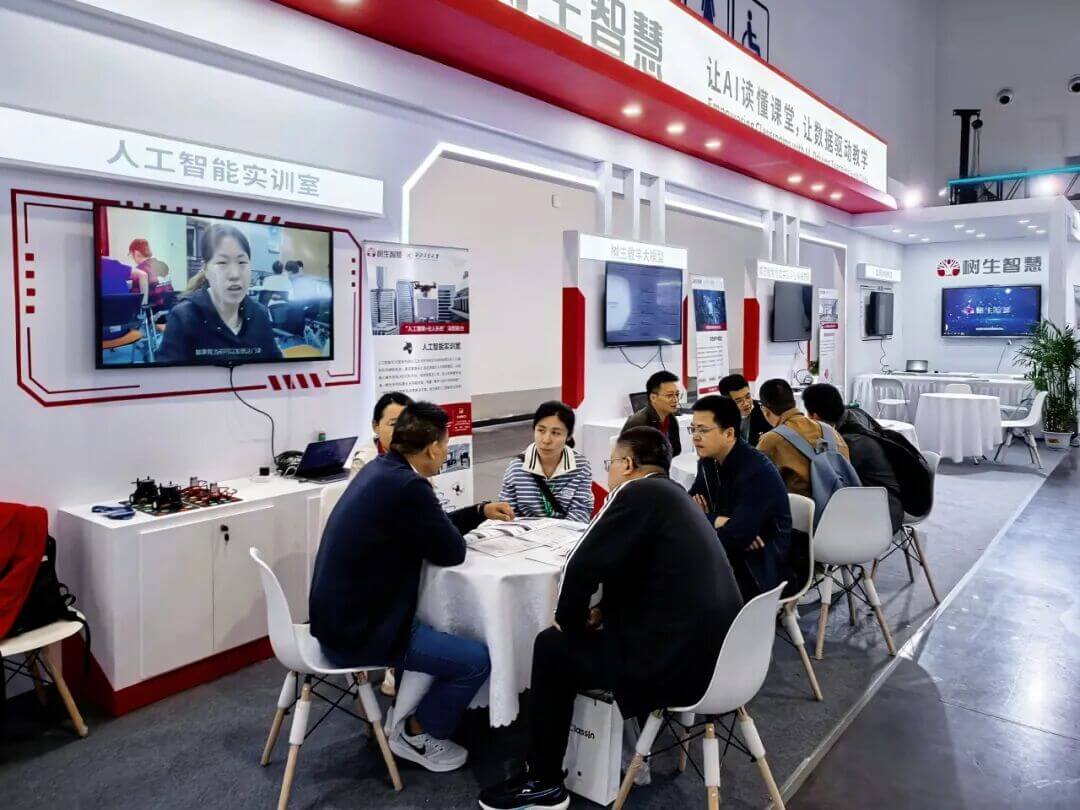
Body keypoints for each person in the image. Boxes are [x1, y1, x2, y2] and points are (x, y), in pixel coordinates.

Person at [478, 427, 743, 810]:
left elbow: (580, 564)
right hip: (724, 661)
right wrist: (603, 611)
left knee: (552, 646)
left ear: (628, 464)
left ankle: (544, 780)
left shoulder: (635, 492)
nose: (610, 471)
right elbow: (645, 571)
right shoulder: (673, 496)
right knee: (572, 640)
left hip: (677, 666)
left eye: (612, 463)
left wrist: (569, 621)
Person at [310, 402, 515, 772]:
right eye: (446, 445)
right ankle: (418, 733)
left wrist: (479, 511)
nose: (447, 452)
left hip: (336, 621)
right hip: (362, 633)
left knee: (438, 628)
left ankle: (407, 711)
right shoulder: (409, 486)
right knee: (476, 660)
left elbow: (430, 527)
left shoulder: (382, 470)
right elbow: (450, 550)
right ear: (434, 448)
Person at [689, 395, 794, 600]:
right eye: (692, 429)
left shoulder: (757, 471)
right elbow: (689, 508)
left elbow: (736, 536)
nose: (695, 437)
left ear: (729, 433)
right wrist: (718, 520)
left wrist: (711, 521)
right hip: (731, 556)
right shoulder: (709, 461)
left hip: (759, 567)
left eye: (703, 430)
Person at [156, 224, 282, 364]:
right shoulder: (184, 317)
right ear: (206, 270)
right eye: (222, 263)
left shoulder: (260, 314)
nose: (235, 274)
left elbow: (275, 367)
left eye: (242, 262)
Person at [802, 383, 904, 534]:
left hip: (880, 517)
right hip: (892, 503)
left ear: (814, 416)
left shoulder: (846, 443)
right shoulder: (856, 416)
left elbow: (830, 480)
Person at [499, 401, 594, 523]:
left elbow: (581, 512)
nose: (546, 440)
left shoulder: (581, 467)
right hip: (526, 533)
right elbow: (507, 514)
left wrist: (557, 533)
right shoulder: (517, 467)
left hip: (567, 532)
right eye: (541, 430)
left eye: (555, 433)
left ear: (569, 436)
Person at [756, 378, 850, 498]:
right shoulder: (831, 431)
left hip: (800, 509)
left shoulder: (770, 440)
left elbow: (754, 483)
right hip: (841, 506)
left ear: (765, 411)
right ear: (794, 402)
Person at [622, 370, 682, 457]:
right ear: (653, 398)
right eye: (669, 395)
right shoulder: (639, 423)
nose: (676, 400)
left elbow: (676, 450)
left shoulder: (671, 419)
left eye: (677, 394)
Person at [717, 373, 772, 446]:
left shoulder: (766, 413)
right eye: (739, 401)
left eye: (748, 397)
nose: (746, 403)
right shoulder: (717, 419)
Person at [127, 238, 173, 309]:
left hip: (152, 311)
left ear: (136, 253)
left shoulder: (140, 271)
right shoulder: (162, 265)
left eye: (131, 254)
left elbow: (136, 297)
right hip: (168, 308)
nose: (132, 257)